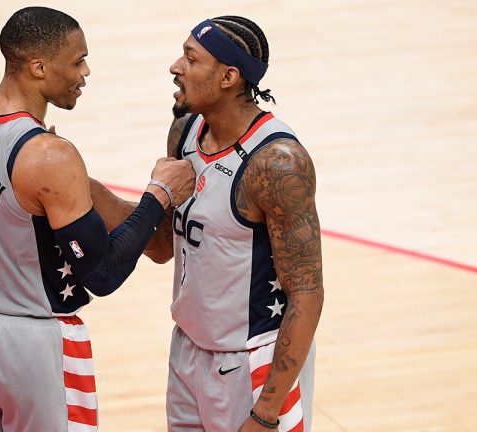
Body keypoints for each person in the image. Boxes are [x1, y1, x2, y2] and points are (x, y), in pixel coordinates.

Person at [0, 7, 194, 431]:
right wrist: (159, 194)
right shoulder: (50, 156)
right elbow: (103, 275)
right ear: (38, 67)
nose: (86, 71)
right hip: (31, 337)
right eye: (77, 61)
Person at [156, 15, 325, 432]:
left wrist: (267, 412)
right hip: (188, 350)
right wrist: (76, 187)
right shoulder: (185, 131)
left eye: (191, 59)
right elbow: (161, 246)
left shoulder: (277, 163)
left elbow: (307, 295)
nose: (175, 67)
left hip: (251, 362)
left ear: (229, 76)